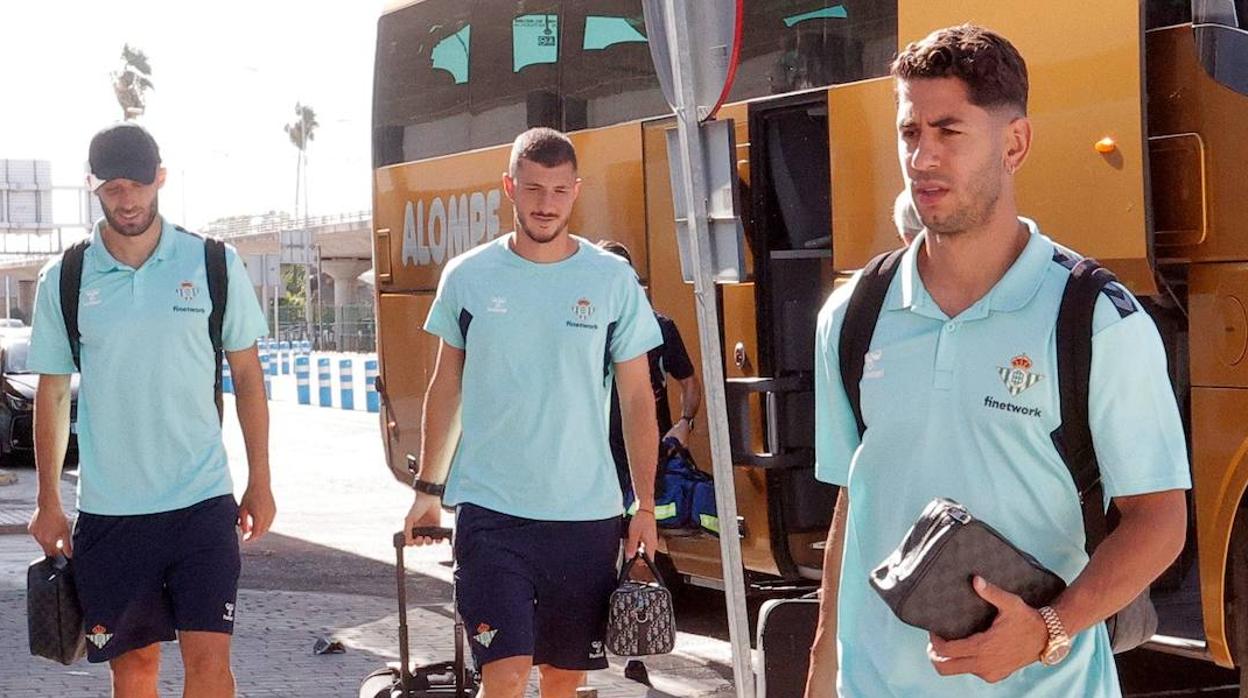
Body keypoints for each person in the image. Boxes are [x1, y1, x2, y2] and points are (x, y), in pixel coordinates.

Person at [804, 25, 1189, 697]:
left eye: (948, 131)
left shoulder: (1096, 318)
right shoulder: (851, 314)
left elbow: (1159, 520)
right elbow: (854, 499)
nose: (922, 157)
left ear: (1015, 144)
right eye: (909, 132)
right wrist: (820, 669)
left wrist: (1047, 629)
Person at [402, 127, 663, 698]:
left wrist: (644, 506)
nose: (546, 203)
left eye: (559, 190)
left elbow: (638, 399)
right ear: (509, 188)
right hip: (492, 513)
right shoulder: (468, 276)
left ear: (576, 192)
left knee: (564, 680)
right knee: (506, 673)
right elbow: (446, 388)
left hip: (586, 516)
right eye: (533, 188)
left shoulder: (611, 280)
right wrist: (427, 491)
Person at [26, 122, 273, 697]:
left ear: (160, 178)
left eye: (137, 184)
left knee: (209, 664)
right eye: (113, 188)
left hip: (201, 502)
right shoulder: (65, 277)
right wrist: (47, 501)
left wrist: (260, 480)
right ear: (93, 186)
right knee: (134, 669)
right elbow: (53, 393)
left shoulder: (212, 262)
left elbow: (248, 377)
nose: (127, 200)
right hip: (111, 510)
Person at [596, 239, 702, 505]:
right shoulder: (586, 329)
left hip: (649, 451)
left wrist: (684, 423)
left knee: (648, 517)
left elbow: (689, 382)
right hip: (599, 453)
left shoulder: (659, 327)